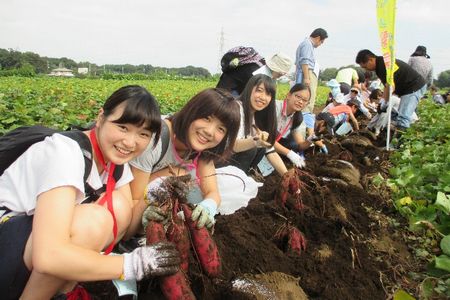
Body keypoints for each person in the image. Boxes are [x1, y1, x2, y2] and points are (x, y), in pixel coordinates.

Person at [0, 85, 181, 300]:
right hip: (9, 246)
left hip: (31, 249)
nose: (130, 142)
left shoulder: (116, 164)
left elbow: (126, 228)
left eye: (143, 134)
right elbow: (48, 257)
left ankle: (63, 292)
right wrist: (131, 264)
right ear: (101, 117)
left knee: (120, 208)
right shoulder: (65, 153)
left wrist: (151, 196)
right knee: (92, 221)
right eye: (123, 127)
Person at [128, 88, 242, 236]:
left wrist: (208, 206)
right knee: (181, 175)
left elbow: (212, 192)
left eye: (221, 129)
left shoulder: (201, 149)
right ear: (192, 111)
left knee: (193, 188)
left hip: (152, 202)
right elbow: (133, 202)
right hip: (129, 207)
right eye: (206, 118)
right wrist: (143, 219)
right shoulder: (156, 139)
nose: (209, 131)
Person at [227, 74, 288, 176]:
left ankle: (243, 177)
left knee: (261, 148)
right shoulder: (236, 109)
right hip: (219, 162)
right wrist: (255, 142)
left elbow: (271, 151)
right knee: (252, 148)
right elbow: (232, 145)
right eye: (259, 90)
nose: (263, 97)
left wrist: (287, 176)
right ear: (249, 89)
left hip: (235, 165)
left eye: (268, 94)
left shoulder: (257, 116)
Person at [355, 49, 426, 133]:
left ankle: (399, 144)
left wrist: (384, 102)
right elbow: (387, 85)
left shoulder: (383, 65)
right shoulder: (380, 66)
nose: (366, 70)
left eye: (365, 66)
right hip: (407, 89)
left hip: (413, 86)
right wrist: (383, 101)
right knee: (397, 116)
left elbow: (391, 87)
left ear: (371, 59)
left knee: (403, 117)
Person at [273, 84, 328, 164]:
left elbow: (300, 145)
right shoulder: (275, 107)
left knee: (294, 145)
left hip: (273, 142)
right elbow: (266, 139)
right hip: (261, 140)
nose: (300, 102)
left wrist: (313, 137)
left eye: (305, 100)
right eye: (298, 97)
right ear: (288, 95)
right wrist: (290, 154)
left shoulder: (298, 118)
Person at [294, 28, 328, 113]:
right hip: (307, 73)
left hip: (305, 73)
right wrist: (307, 78)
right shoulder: (307, 44)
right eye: (321, 42)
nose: (321, 44)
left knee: (304, 96)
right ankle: (305, 117)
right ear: (318, 38)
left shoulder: (306, 44)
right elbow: (305, 62)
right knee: (308, 97)